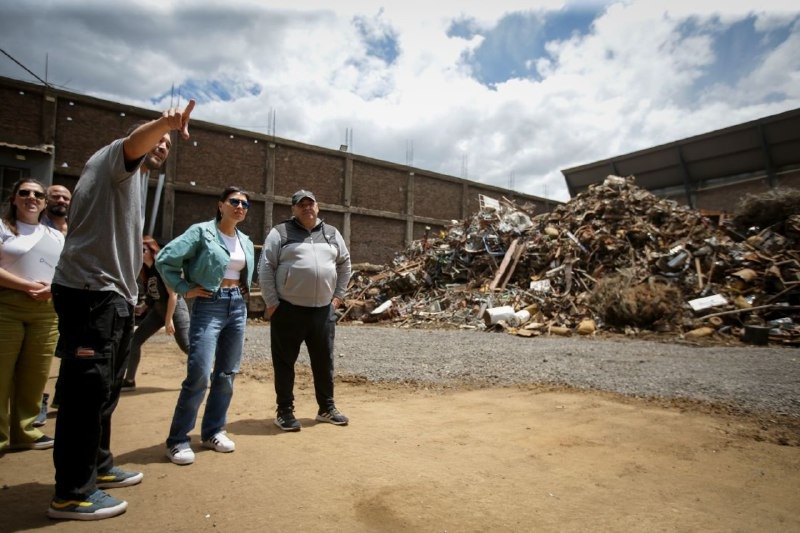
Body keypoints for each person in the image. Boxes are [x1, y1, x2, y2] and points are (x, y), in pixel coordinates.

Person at [47, 100, 195, 521]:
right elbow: (134, 143)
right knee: (84, 393)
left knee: (105, 388)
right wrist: (164, 123)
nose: (162, 146)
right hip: (90, 291)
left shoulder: (135, 178)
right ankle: (72, 493)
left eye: (168, 143)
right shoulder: (117, 157)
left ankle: (99, 465)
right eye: (158, 140)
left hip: (111, 296)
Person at [156, 186, 254, 466]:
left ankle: (212, 431)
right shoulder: (201, 232)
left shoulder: (245, 240)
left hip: (236, 306)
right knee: (199, 372)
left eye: (244, 204)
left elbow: (243, 271)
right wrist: (184, 289)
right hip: (209, 304)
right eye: (234, 202)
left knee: (226, 373)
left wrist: (243, 290)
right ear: (220, 205)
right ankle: (177, 440)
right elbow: (165, 260)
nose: (240, 207)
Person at [258, 189, 352, 431]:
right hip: (288, 310)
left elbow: (344, 264)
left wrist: (338, 296)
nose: (307, 208)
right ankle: (285, 412)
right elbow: (266, 266)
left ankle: (326, 408)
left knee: (324, 361)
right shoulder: (280, 232)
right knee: (285, 362)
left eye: (311, 204)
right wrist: (272, 303)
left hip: (323, 310)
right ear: (293, 210)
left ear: (317, 207)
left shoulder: (331, 233)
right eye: (301, 205)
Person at [0, 178, 65, 453]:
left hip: (46, 312)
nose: (31, 198)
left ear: (44, 202)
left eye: (38, 194)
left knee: (35, 375)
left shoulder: (56, 236)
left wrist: (52, 288)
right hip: (7, 307)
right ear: (14, 198)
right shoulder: (2, 228)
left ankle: (24, 432)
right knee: (2, 374)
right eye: (24, 192)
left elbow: (63, 270)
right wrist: (27, 286)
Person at [121, 235, 190, 392]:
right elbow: (154, 295)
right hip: (159, 310)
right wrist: (143, 307)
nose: (139, 253)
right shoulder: (146, 270)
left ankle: (209, 374)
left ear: (152, 250)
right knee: (135, 341)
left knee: (187, 346)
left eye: (142, 250)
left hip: (175, 309)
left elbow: (173, 295)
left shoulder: (161, 266)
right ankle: (129, 380)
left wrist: (168, 320)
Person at [34, 183, 72, 427]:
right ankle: (38, 402)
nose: (61, 200)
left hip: (72, 297)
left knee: (70, 352)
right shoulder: (36, 229)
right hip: (40, 296)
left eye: (65, 197)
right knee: (41, 355)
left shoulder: (75, 228)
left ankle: (62, 397)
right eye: (55, 196)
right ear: (46, 201)